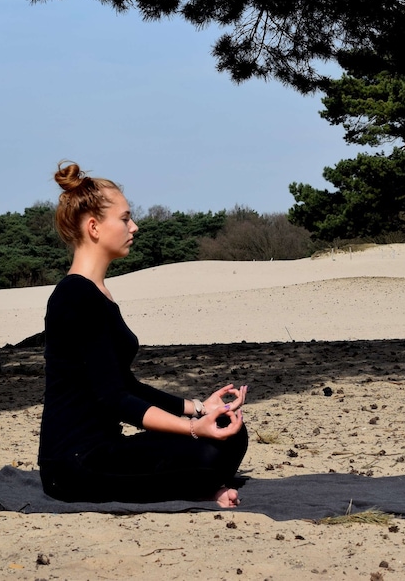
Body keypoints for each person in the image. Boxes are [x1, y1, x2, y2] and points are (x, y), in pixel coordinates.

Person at [38, 161, 248, 507]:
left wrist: (198, 408)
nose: (133, 227)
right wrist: (193, 429)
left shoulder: (97, 294)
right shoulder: (74, 296)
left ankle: (196, 482)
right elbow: (115, 400)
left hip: (107, 449)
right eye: (125, 219)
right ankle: (199, 486)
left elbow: (125, 386)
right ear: (94, 227)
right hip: (74, 464)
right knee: (208, 452)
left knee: (229, 430)